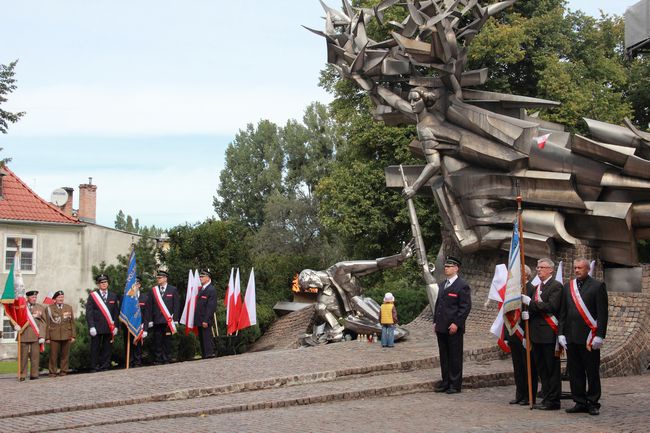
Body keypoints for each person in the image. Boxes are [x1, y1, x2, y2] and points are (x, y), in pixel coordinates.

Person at [298, 241, 414, 343]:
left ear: (313, 275)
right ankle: (390, 333)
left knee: (358, 301)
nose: (311, 288)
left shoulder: (340, 269)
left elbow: (375, 264)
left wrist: (399, 258)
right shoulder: (322, 298)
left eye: (310, 284)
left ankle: (392, 329)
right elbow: (320, 316)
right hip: (351, 318)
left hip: (362, 303)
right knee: (324, 309)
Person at [559, 258, 609, 416]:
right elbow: (563, 312)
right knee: (575, 371)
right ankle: (579, 401)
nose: (576, 270)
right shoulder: (568, 287)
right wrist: (561, 333)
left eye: (580, 268)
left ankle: (593, 402)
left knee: (592, 371)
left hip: (589, 338)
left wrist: (600, 335)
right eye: (575, 268)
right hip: (571, 337)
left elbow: (602, 313)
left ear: (587, 269)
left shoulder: (597, 286)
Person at [521, 258, 563, 410]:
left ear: (551, 270)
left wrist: (531, 303)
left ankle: (554, 400)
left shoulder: (556, 286)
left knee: (551, 369)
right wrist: (527, 315)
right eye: (538, 267)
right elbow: (535, 309)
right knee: (542, 369)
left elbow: (551, 307)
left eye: (542, 267)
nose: (538, 270)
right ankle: (546, 398)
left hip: (548, 333)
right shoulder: (537, 286)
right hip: (536, 333)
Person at [433, 256, 472, 394]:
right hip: (442, 326)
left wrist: (456, 323)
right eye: (445, 266)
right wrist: (435, 321)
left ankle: (455, 384)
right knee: (444, 355)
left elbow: (465, 307)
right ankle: (445, 382)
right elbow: (439, 304)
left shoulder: (462, 285)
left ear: (456, 268)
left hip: (454, 327)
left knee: (455, 356)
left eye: (449, 266)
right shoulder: (443, 284)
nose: (446, 268)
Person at [507, 265, 537, 405]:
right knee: (517, 366)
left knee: (527, 366)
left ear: (526, 275)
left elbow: (535, 309)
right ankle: (519, 394)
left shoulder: (532, 288)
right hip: (514, 333)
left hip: (525, 333)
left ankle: (528, 395)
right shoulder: (512, 290)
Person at [86, 274, 120, 372]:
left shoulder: (113, 295)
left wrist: (116, 326)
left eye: (105, 282)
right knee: (95, 348)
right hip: (96, 327)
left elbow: (115, 312)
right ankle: (94, 366)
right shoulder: (93, 296)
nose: (104, 284)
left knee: (107, 347)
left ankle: (105, 365)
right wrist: (91, 326)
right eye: (101, 282)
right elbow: (89, 313)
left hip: (109, 326)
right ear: (98, 284)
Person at [147, 270, 180, 364]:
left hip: (167, 321)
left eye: (160, 277)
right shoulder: (153, 290)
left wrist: (176, 319)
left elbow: (176, 305)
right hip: (157, 320)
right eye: (157, 278)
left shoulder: (173, 290)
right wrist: (150, 320)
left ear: (165, 278)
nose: (158, 279)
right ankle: (158, 359)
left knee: (167, 341)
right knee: (157, 341)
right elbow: (150, 306)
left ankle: (167, 358)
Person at [17, 290, 46, 381]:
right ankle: (22, 374)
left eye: (35, 297)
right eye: (32, 297)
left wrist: (42, 336)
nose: (34, 299)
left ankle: (34, 374)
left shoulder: (40, 307)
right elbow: (13, 317)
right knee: (23, 356)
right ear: (27, 298)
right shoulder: (21, 307)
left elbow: (44, 323)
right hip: (23, 334)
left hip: (35, 335)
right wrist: (14, 325)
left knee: (35, 356)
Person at [45, 291, 76, 377]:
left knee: (65, 355)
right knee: (53, 355)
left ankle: (63, 371)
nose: (61, 299)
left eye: (62, 297)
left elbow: (72, 322)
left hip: (66, 334)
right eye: (59, 297)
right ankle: (52, 372)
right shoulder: (49, 308)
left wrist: (73, 335)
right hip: (54, 335)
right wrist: (47, 337)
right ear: (54, 299)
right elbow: (47, 323)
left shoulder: (68, 307)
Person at [194, 268, 218, 358]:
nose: (200, 278)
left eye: (202, 277)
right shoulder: (202, 289)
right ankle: (205, 354)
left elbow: (210, 307)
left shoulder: (211, 290)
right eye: (200, 277)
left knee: (207, 337)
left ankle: (209, 353)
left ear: (208, 278)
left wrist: (206, 320)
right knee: (202, 338)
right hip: (200, 319)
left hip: (205, 319)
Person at [129, 276, 148, 367]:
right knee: (130, 343)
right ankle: (131, 361)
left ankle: (138, 361)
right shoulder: (128, 297)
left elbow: (147, 313)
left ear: (139, 285)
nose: (135, 286)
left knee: (139, 345)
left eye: (136, 284)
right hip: (130, 325)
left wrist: (146, 327)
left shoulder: (145, 297)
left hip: (141, 325)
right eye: (133, 284)